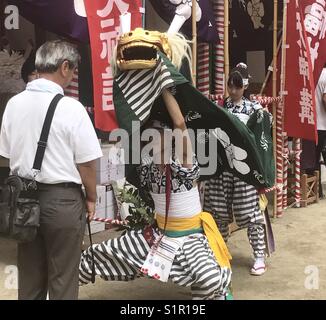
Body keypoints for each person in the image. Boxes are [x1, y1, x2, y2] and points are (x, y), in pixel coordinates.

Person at [79, 88, 232, 300]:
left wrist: (162, 86)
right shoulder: (145, 169)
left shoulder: (183, 165)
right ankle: (58, 291)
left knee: (210, 278)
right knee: (96, 255)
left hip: (191, 238)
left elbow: (179, 124)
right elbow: (127, 135)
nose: (152, 140)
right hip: (157, 236)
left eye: (158, 135)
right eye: (148, 137)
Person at [0, 40, 103, 300]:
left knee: (30, 279)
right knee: (63, 279)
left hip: (22, 200)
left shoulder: (14, 104)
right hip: (62, 201)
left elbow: (7, 153)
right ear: (64, 67)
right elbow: (88, 162)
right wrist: (91, 197)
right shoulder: (72, 108)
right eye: (74, 69)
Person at [204, 63, 268, 276]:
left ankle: (259, 255)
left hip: (244, 170)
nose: (232, 91)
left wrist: (261, 171)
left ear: (245, 87)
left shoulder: (255, 109)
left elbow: (262, 138)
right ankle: (221, 254)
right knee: (218, 213)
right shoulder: (220, 107)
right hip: (222, 168)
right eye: (230, 86)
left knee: (250, 213)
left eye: (237, 87)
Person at [315, 64, 326, 198]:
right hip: (323, 123)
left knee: (314, 158)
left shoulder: (315, 73)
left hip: (313, 124)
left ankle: (318, 191)